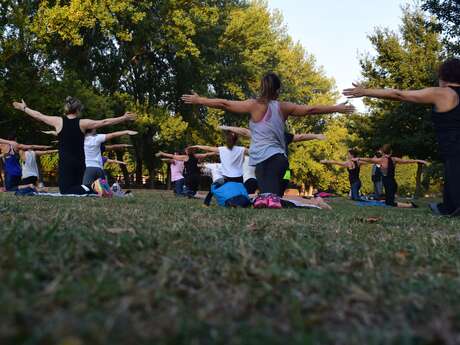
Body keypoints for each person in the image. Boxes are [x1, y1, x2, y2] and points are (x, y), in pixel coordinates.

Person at [182, 73, 354, 209]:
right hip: (279, 162)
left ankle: (315, 204)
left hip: (267, 163)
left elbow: (224, 104)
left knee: (270, 201)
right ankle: (309, 202)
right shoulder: (284, 107)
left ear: (261, 87)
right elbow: (311, 109)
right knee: (269, 200)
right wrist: (336, 108)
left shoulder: (253, 105)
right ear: (278, 90)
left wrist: (200, 100)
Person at [343, 58, 460, 216]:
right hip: (452, 156)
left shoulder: (444, 93)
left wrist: (366, 91)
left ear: (443, 77)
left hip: (454, 154)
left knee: (452, 205)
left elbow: (398, 94)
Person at [12, 97, 136, 195]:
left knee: (65, 191)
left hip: (66, 162)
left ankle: (95, 187)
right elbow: (104, 122)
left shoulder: (58, 121)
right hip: (81, 163)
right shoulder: (83, 123)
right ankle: (98, 187)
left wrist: (24, 108)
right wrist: (123, 118)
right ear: (77, 110)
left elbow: (39, 115)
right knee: (77, 188)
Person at [220, 125, 326, 196]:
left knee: (281, 182)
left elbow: (244, 132)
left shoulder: (275, 135)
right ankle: (272, 195)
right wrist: (316, 136)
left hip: (276, 166)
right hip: (278, 166)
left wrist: (229, 128)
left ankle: (273, 195)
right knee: (280, 183)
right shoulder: (276, 135)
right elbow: (301, 136)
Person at [355, 145, 428, 208]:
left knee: (390, 203)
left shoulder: (381, 160)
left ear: (383, 152)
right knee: (388, 201)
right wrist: (419, 160)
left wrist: (358, 158)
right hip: (392, 183)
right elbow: (406, 161)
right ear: (391, 152)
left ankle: (410, 205)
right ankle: (407, 204)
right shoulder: (394, 159)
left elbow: (369, 160)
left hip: (389, 184)